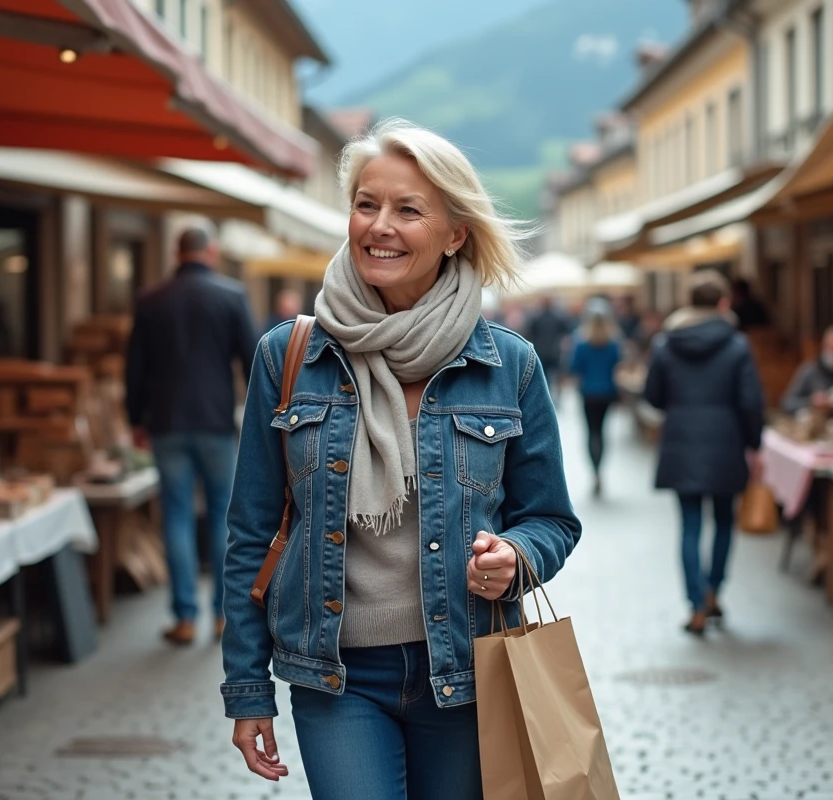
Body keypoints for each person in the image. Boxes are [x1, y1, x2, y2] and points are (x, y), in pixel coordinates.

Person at [222, 119, 581, 800]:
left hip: (469, 671)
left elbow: (552, 521)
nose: (379, 225)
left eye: (407, 209)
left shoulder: (508, 364)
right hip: (337, 677)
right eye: (366, 204)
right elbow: (251, 532)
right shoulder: (290, 356)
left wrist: (514, 558)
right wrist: (247, 688)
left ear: (454, 233)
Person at [126, 220, 260, 646]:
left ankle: (184, 617)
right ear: (212, 253)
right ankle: (223, 616)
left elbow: (134, 369)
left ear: (174, 254)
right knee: (225, 515)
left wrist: (135, 419)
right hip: (216, 421)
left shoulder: (150, 300)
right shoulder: (231, 295)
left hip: (165, 423)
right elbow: (255, 361)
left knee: (176, 517)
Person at [644, 271, 764, 636]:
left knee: (690, 525)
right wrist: (754, 443)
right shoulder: (737, 344)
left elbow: (653, 396)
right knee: (724, 520)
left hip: (681, 440)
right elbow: (750, 402)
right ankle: (713, 590)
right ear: (723, 303)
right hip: (726, 441)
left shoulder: (666, 343)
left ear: (688, 302)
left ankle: (695, 604)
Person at [568, 308, 621, 496]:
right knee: (602, 431)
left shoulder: (581, 343)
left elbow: (574, 367)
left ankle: (595, 472)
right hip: (607, 392)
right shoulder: (613, 343)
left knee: (592, 432)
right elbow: (619, 364)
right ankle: (600, 470)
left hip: (588, 392)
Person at [524, 296, 574, 397]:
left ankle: (546, 395)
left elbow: (529, 334)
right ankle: (557, 395)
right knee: (557, 375)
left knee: (544, 375)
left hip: (540, 351)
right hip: (554, 351)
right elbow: (567, 332)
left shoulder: (536, 318)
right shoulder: (558, 317)